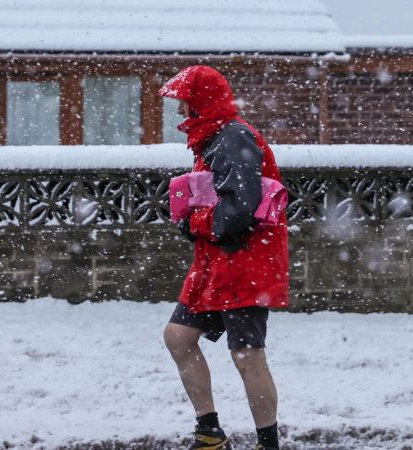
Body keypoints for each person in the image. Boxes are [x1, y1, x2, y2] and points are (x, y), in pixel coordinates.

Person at [159, 66, 289, 450]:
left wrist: (190, 220)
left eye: (184, 100)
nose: (180, 109)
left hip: (244, 263)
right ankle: (209, 433)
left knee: (247, 355)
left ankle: (268, 443)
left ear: (200, 101)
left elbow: (238, 213)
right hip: (217, 262)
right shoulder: (215, 137)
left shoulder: (233, 138)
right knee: (179, 337)